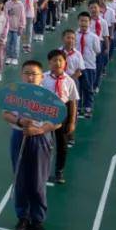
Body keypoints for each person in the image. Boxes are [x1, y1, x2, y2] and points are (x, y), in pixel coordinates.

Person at [3, 59, 60, 230]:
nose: (30, 77)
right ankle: (22, 217)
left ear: (41, 77)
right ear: (21, 75)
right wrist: (20, 121)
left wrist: (40, 129)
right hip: (19, 137)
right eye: (26, 73)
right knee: (20, 179)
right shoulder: (16, 95)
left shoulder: (49, 97)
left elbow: (57, 122)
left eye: (34, 74)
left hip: (41, 140)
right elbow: (5, 114)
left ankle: (38, 219)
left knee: (38, 182)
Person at [43, 49, 78, 185]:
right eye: (54, 60)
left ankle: (59, 171)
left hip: (62, 114)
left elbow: (73, 102)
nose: (57, 63)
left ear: (65, 63)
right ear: (49, 63)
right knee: (44, 143)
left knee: (62, 145)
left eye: (60, 60)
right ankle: (43, 170)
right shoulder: (43, 78)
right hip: (45, 113)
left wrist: (72, 122)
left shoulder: (69, 81)